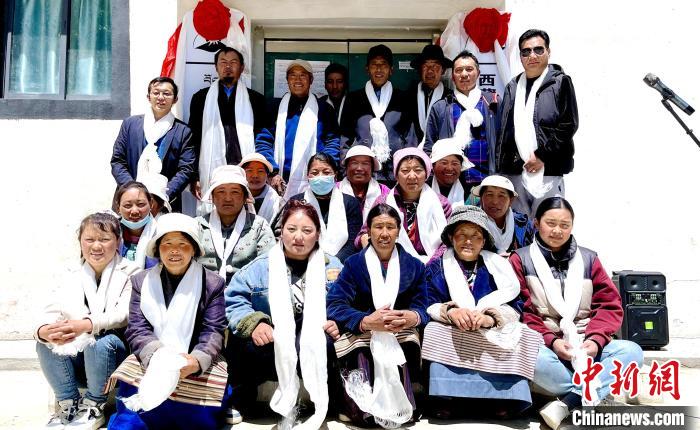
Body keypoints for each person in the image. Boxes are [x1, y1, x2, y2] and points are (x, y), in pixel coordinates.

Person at [510, 197, 643, 429]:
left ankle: (569, 401)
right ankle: (595, 393)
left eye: (565, 225)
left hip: (585, 345)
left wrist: (596, 340)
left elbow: (609, 304)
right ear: (536, 223)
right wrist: (552, 341)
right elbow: (524, 312)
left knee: (632, 352)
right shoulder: (520, 259)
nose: (557, 231)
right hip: (547, 347)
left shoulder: (589, 259)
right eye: (551, 223)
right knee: (531, 358)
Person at [225, 200, 343, 426]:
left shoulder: (333, 267)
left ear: (318, 234)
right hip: (275, 340)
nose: (298, 237)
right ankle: (240, 399)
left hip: (312, 340)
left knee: (330, 342)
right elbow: (233, 300)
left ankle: (335, 400)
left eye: (307, 230)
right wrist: (254, 322)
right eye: (292, 229)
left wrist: (338, 321)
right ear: (281, 232)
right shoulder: (261, 266)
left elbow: (349, 300)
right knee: (244, 340)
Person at [109, 213, 229, 430]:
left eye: (182, 244)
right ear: (158, 249)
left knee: (197, 421)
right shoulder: (140, 281)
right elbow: (137, 328)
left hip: (193, 355)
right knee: (132, 421)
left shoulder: (212, 283)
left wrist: (195, 361)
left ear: (194, 249)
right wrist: (159, 357)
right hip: (151, 355)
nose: (174, 250)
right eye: (167, 244)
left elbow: (213, 330)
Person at [422, 206, 542, 419]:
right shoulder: (437, 268)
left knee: (523, 334)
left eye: (476, 236)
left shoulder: (499, 267)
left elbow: (516, 306)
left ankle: (503, 398)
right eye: (462, 235)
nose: (468, 241)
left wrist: (490, 318)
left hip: (490, 327)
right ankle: (447, 398)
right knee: (433, 331)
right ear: (451, 237)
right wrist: (451, 312)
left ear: (484, 241)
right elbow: (428, 302)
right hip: (455, 328)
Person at [327, 203, 429, 428]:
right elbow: (335, 303)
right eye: (378, 227)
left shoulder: (414, 266)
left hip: (400, 330)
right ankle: (362, 411)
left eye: (390, 227)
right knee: (362, 348)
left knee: (405, 345)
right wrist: (365, 321)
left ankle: (401, 406)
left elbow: (423, 305)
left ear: (399, 231)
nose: (384, 233)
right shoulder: (354, 264)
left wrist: (412, 317)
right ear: (369, 231)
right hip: (363, 330)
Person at [35, 212, 139, 429]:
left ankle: (94, 405)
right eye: (89, 239)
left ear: (118, 242)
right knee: (45, 342)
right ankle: (68, 404)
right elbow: (51, 308)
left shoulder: (132, 271)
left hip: (112, 355)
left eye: (105, 239)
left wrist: (86, 325)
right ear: (80, 242)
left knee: (100, 341)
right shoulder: (68, 272)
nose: (96, 246)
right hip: (77, 351)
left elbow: (124, 314)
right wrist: (44, 330)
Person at [496, 29, 579, 217]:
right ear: (520, 56)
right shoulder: (513, 87)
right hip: (516, 172)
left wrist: (542, 156)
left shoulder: (560, 82)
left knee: (547, 222)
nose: (532, 56)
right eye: (526, 51)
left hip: (548, 171)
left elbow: (568, 125)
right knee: (518, 226)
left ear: (548, 51)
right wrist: (501, 170)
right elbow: (505, 132)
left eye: (538, 50)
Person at [188, 47, 267, 200]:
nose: (228, 66)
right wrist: (194, 175)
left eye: (233, 62)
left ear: (242, 67)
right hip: (212, 168)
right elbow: (194, 139)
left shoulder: (256, 99)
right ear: (216, 67)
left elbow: (262, 138)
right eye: (223, 62)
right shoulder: (201, 98)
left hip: (244, 166)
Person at [256, 59, 341, 199]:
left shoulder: (324, 109)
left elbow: (332, 143)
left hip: (316, 181)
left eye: (303, 75)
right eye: (293, 75)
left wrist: (322, 171)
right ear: (287, 80)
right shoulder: (274, 108)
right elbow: (263, 142)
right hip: (278, 180)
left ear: (311, 80)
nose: (297, 79)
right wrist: (272, 172)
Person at [111, 77, 195, 213]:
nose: (161, 97)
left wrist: (161, 196)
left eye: (166, 94)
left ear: (175, 99)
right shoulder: (130, 125)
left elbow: (186, 169)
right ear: (148, 97)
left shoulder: (183, 131)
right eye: (156, 93)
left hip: (164, 203)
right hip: (128, 202)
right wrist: (132, 191)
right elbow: (117, 161)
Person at [357, 147, 451, 263]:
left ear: (426, 173)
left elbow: (448, 240)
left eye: (418, 170)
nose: (412, 176)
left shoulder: (441, 203)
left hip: (433, 264)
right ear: (396, 175)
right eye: (405, 171)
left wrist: (431, 265)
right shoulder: (384, 201)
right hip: (391, 261)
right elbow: (363, 235)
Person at [424, 51, 500, 195]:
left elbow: (503, 140)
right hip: (451, 181)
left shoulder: (493, 102)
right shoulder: (441, 107)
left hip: (487, 180)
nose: (464, 74)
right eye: (458, 70)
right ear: (453, 76)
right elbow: (429, 146)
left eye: (469, 69)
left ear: (478, 73)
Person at [341, 44, 415, 185]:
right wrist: (346, 170)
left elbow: (410, 138)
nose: (379, 69)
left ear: (391, 70)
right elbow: (345, 137)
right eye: (374, 64)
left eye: (384, 64)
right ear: (367, 69)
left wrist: (407, 170)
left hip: (394, 173)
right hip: (361, 172)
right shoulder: (354, 99)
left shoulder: (403, 99)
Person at [273, 153, 362, 262]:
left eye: (326, 172)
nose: (320, 177)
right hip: (301, 262)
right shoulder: (296, 202)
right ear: (308, 176)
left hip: (341, 265)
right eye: (314, 173)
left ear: (335, 175)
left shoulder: (350, 203)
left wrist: (333, 263)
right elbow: (287, 236)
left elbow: (352, 243)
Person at [197, 165, 274, 284]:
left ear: (245, 197)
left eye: (235, 192)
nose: (228, 198)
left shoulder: (259, 226)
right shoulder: (197, 225)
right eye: (221, 191)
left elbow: (268, 266)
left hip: (246, 292)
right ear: (212, 196)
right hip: (202, 290)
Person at [472, 175, 535, 255]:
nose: (495, 202)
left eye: (501, 196)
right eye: (489, 195)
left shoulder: (523, 223)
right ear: (481, 199)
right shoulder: (472, 223)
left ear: (510, 201)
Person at [407, 44, 452, 144]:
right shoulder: (408, 97)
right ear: (420, 70)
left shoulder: (450, 98)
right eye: (425, 66)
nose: (430, 70)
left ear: (443, 70)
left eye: (435, 66)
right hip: (414, 151)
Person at [337, 145, 391, 223]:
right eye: (354, 163)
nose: (359, 168)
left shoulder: (384, 192)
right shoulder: (335, 189)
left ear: (372, 168)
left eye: (365, 163)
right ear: (347, 167)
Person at [113, 181, 159, 269]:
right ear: (118, 208)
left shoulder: (160, 234)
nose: (134, 211)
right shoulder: (111, 233)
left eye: (141, 204)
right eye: (128, 205)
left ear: (151, 204)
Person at [428, 137, 473, 208]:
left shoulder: (470, 194)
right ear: (433, 165)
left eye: (455, 163)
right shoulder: (423, 190)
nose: (449, 168)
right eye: (444, 163)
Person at [239, 152, 282, 223]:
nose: (255, 175)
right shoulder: (234, 198)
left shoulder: (278, 203)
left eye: (260, 171)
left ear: (267, 175)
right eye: (249, 171)